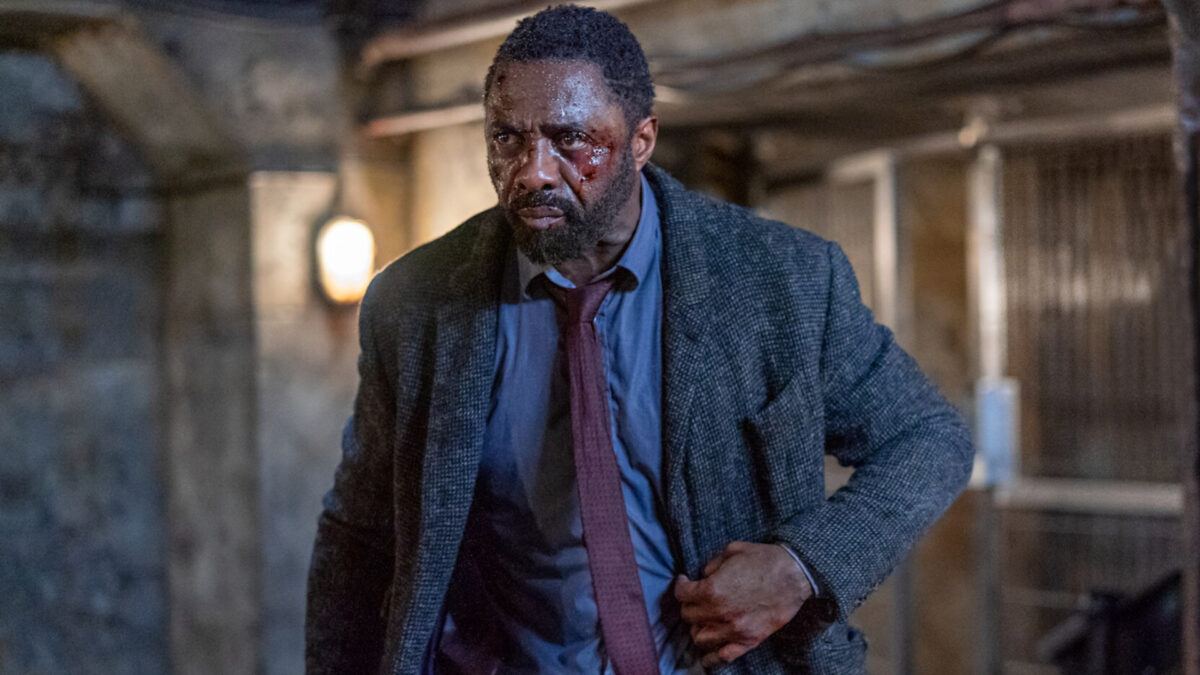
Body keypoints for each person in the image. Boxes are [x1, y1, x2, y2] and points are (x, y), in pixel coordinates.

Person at [306, 5, 973, 674]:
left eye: (571, 139)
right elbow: (359, 535)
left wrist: (800, 565)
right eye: (507, 138)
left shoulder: (782, 280)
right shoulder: (415, 304)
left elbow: (928, 437)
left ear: (642, 140)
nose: (533, 171)